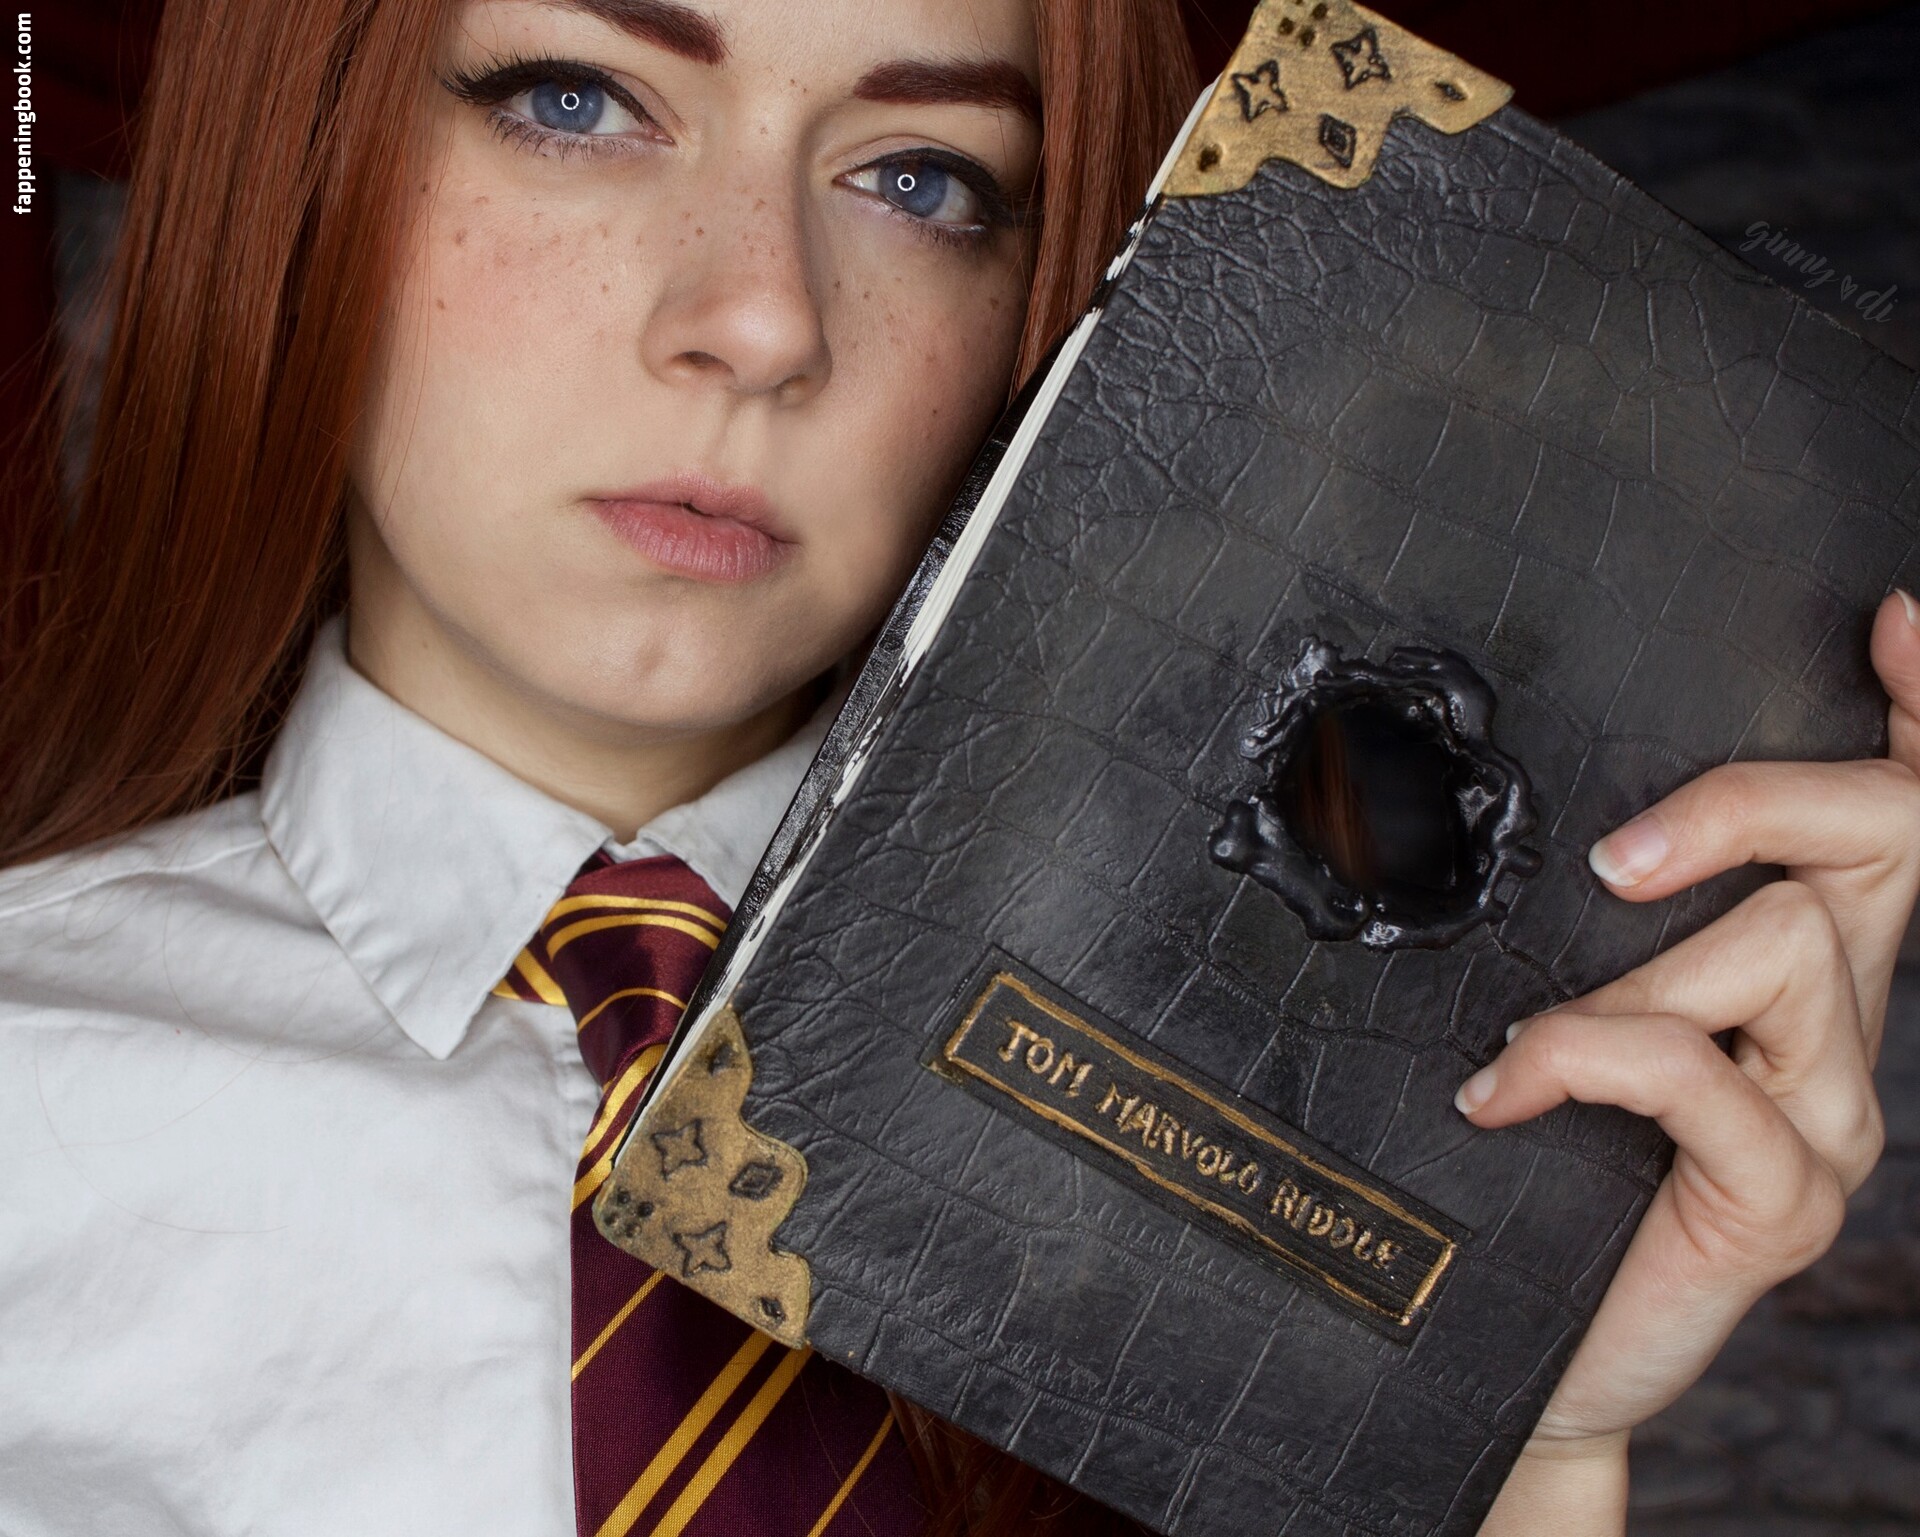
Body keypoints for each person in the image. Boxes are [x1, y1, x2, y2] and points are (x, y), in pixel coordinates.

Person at [0, 0, 1912, 1533]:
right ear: (305, 155)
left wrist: (1509, 1430)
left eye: (920, 178)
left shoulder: (1278, 1172)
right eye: (578, 101)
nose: (762, 319)